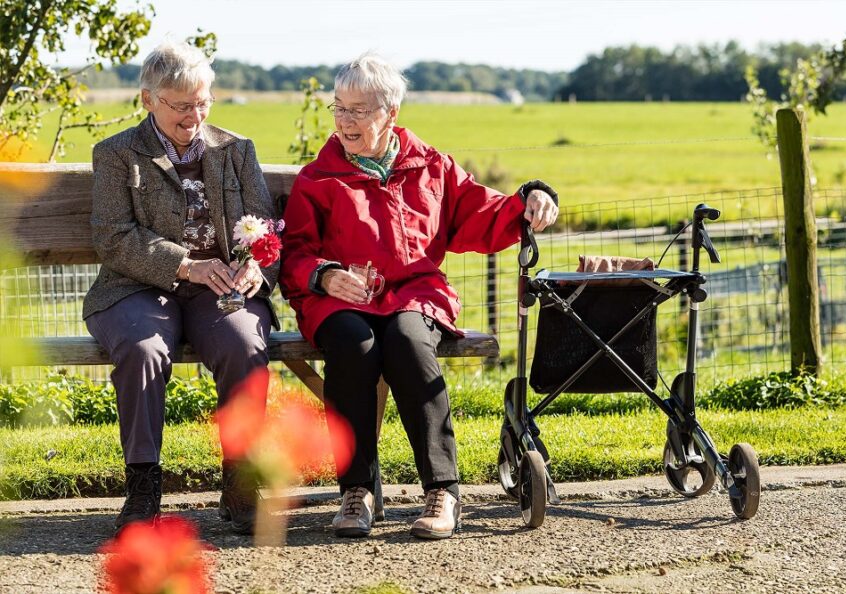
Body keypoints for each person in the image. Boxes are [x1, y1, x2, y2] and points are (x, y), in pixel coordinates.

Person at [279, 53, 558, 540]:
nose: (345, 120)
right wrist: (323, 276)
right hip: (343, 298)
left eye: (359, 110)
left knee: (408, 343)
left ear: (391, 113)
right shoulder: (317, 179)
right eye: (339, 108)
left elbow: (482, 215)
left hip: (414, 292)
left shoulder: (431, 166)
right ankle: (356, 490)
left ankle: (442, 490)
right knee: (352, 344)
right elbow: (295, 252)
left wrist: (529, 200)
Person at [83, 41, 279, 535]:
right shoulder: (115, 154)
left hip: (222, 289)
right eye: (181, 105)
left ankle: (241, 481)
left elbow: (265, 229)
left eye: (203, 102)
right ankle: (143, 485)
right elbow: (113, 237)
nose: (194, 116)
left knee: (243, 343)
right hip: (136, 287)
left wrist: (258, 267)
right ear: (148, 99)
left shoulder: (236, 150)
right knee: (143, 348)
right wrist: (185, 265)